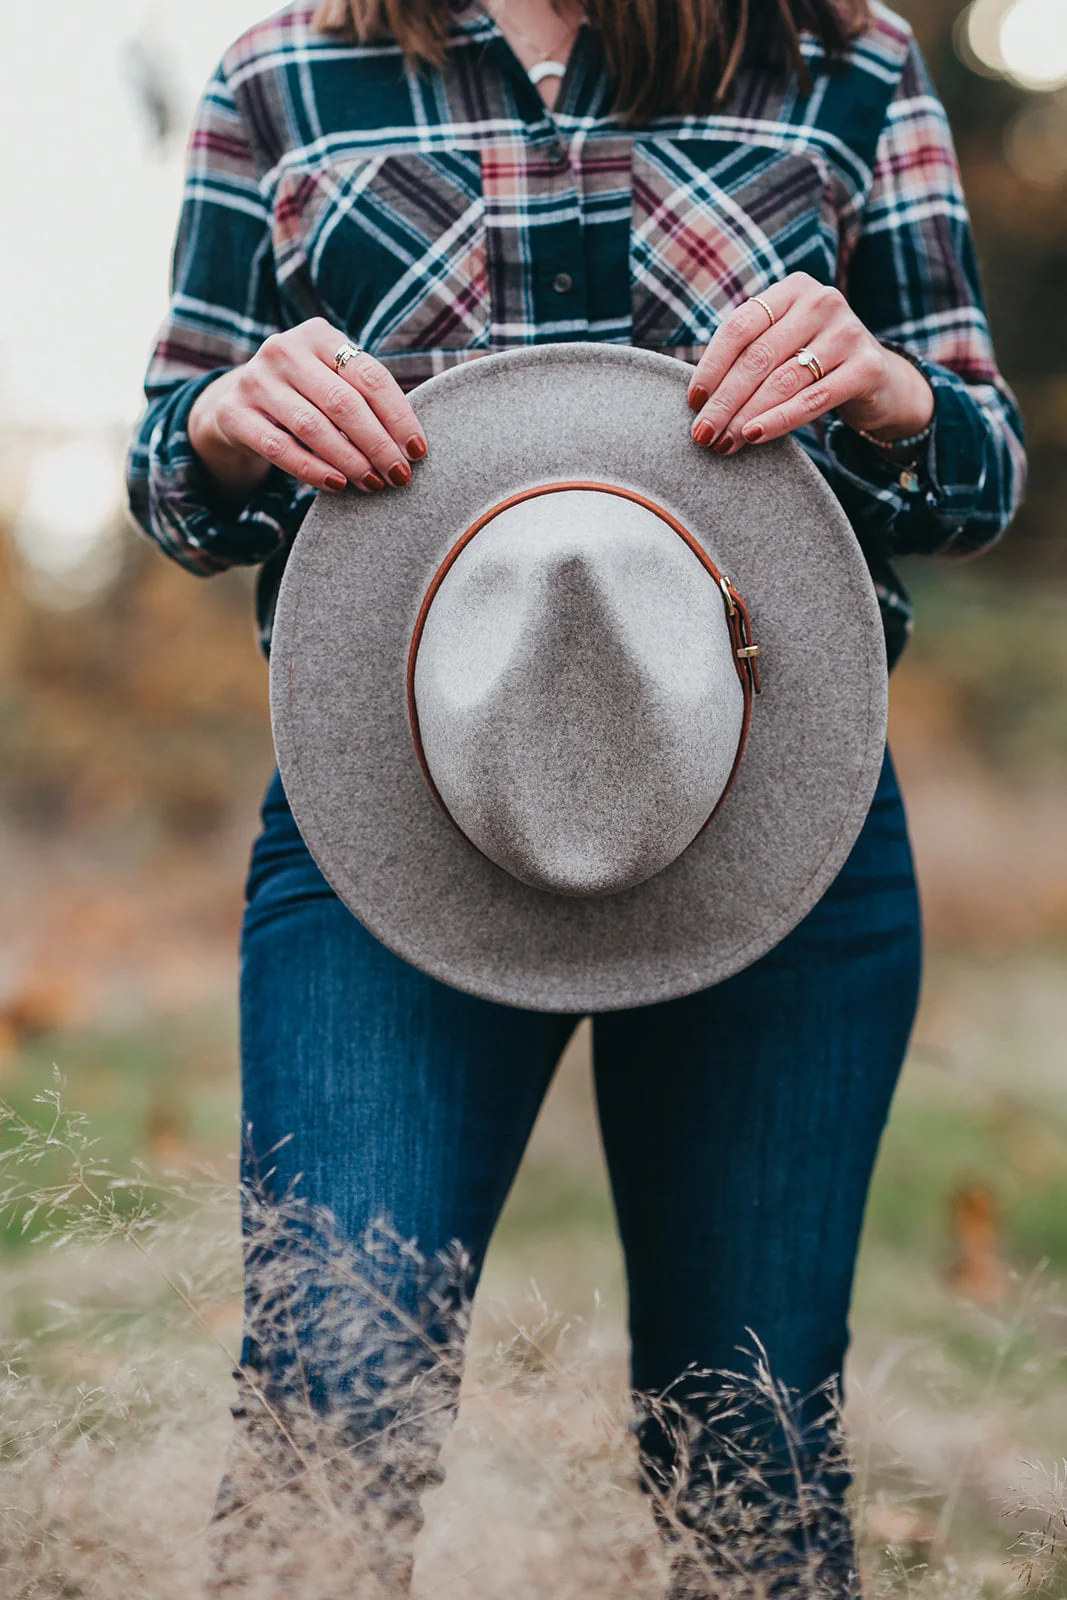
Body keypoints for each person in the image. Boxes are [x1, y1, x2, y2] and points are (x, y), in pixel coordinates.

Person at [125, 0, 1025, 1593]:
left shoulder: (843, 57)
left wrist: (885, 391)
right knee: (332, 1417)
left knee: (745, 1449)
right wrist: (221, 421)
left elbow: (980, 467)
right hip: (386, 820)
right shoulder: (283, 67)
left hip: (775, 824)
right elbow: (168, 477)